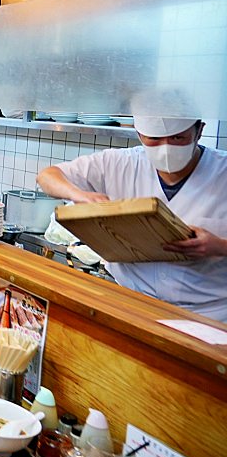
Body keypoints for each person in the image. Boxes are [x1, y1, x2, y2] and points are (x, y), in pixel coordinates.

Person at [36, 115, 227, 322]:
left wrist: (219, 246)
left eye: (178, 138)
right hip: (130, 304)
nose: (166, 148)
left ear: (199, 131)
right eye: (154, 139)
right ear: (139, 134)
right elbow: (47, 177)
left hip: (208, 316)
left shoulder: (222, 172)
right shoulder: (118, 162)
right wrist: (79, 195)